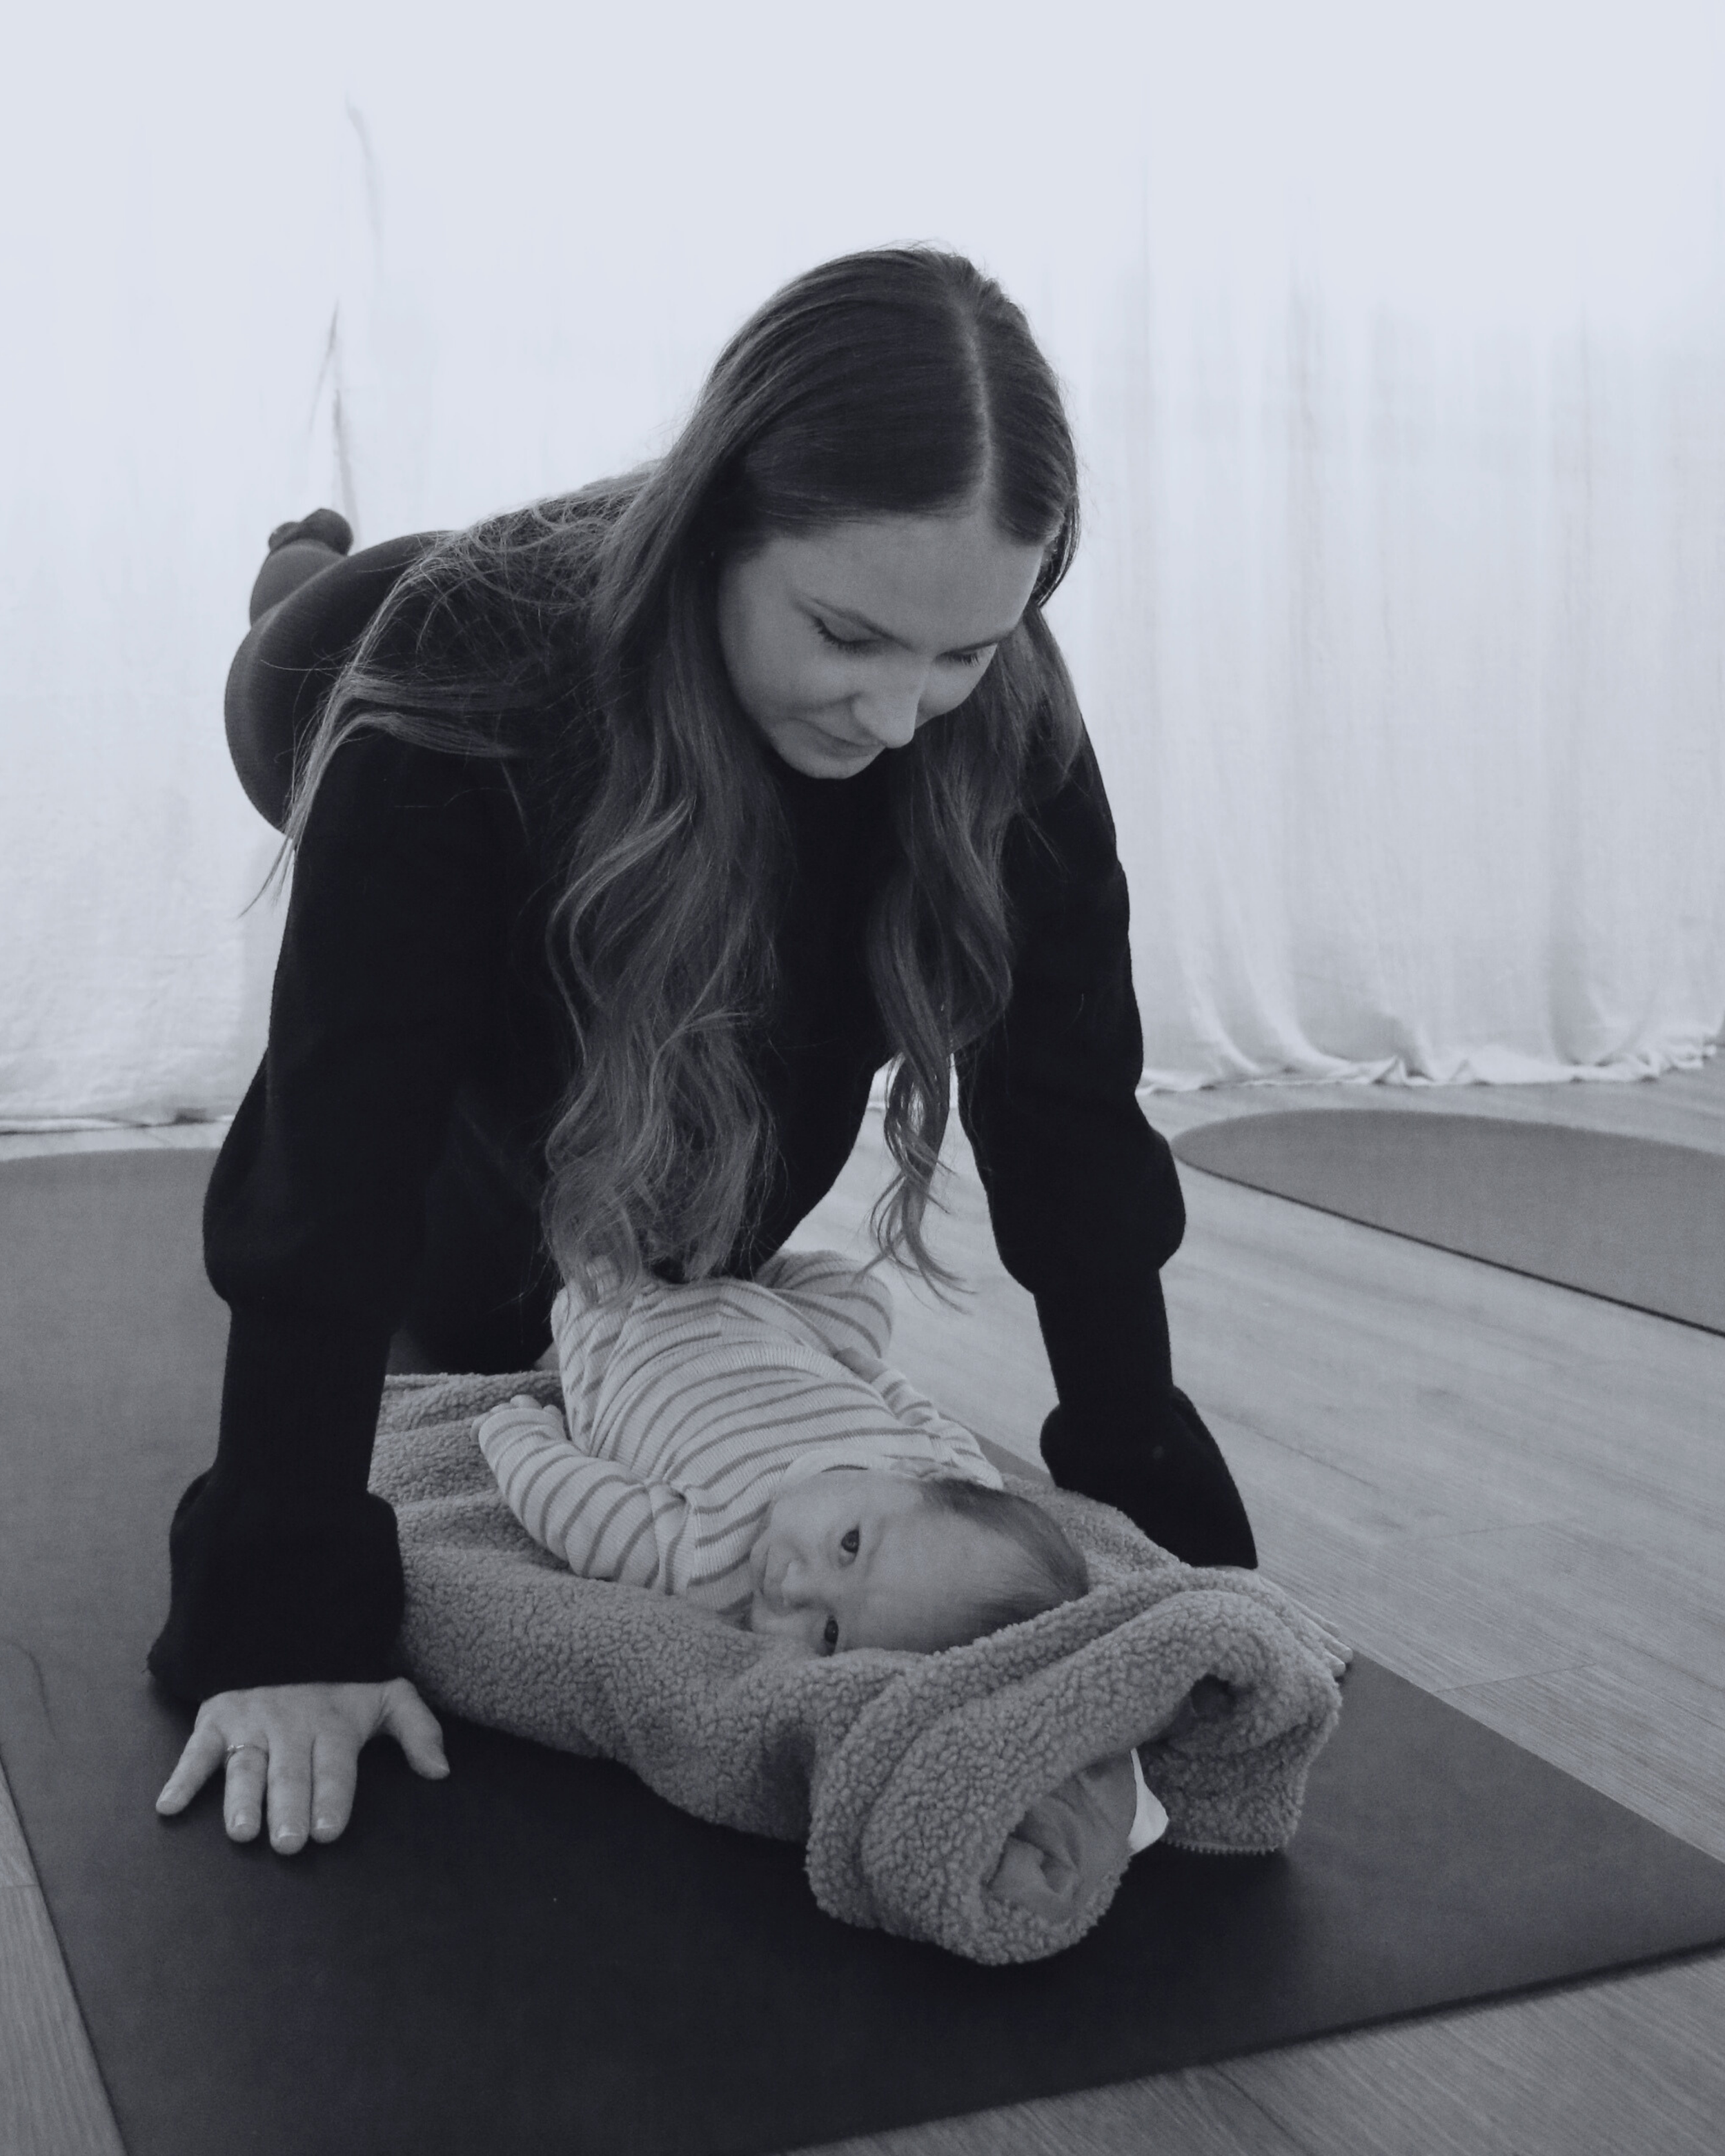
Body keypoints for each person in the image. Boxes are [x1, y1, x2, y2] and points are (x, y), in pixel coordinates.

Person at [152, 246, 1258, 1859]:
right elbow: (337, 1129)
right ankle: (297, 557)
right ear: (716, 524)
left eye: (960, 649)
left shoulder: (993, 715)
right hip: (356, 667)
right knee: (456, 1292)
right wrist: (278, 1603)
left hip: (667, 852)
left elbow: (1070, 1108)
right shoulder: (461, 687)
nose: (900, 711)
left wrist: (1140, 1464)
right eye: (848, 632)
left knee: (670, 1242)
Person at [475, 1245, 1092, 1653]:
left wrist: (517, 1436)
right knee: (862, 1293)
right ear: (920, 1477)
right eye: (849, 1546)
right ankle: (726, 1254)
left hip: (625, 1335)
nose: (793, 1584)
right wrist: (866, 1371)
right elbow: (916, 1408)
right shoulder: (952, 1467)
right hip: (772, 1322)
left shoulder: (706, 1565)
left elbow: (575, 1506)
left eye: (830, 1633)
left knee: (590, 1260)